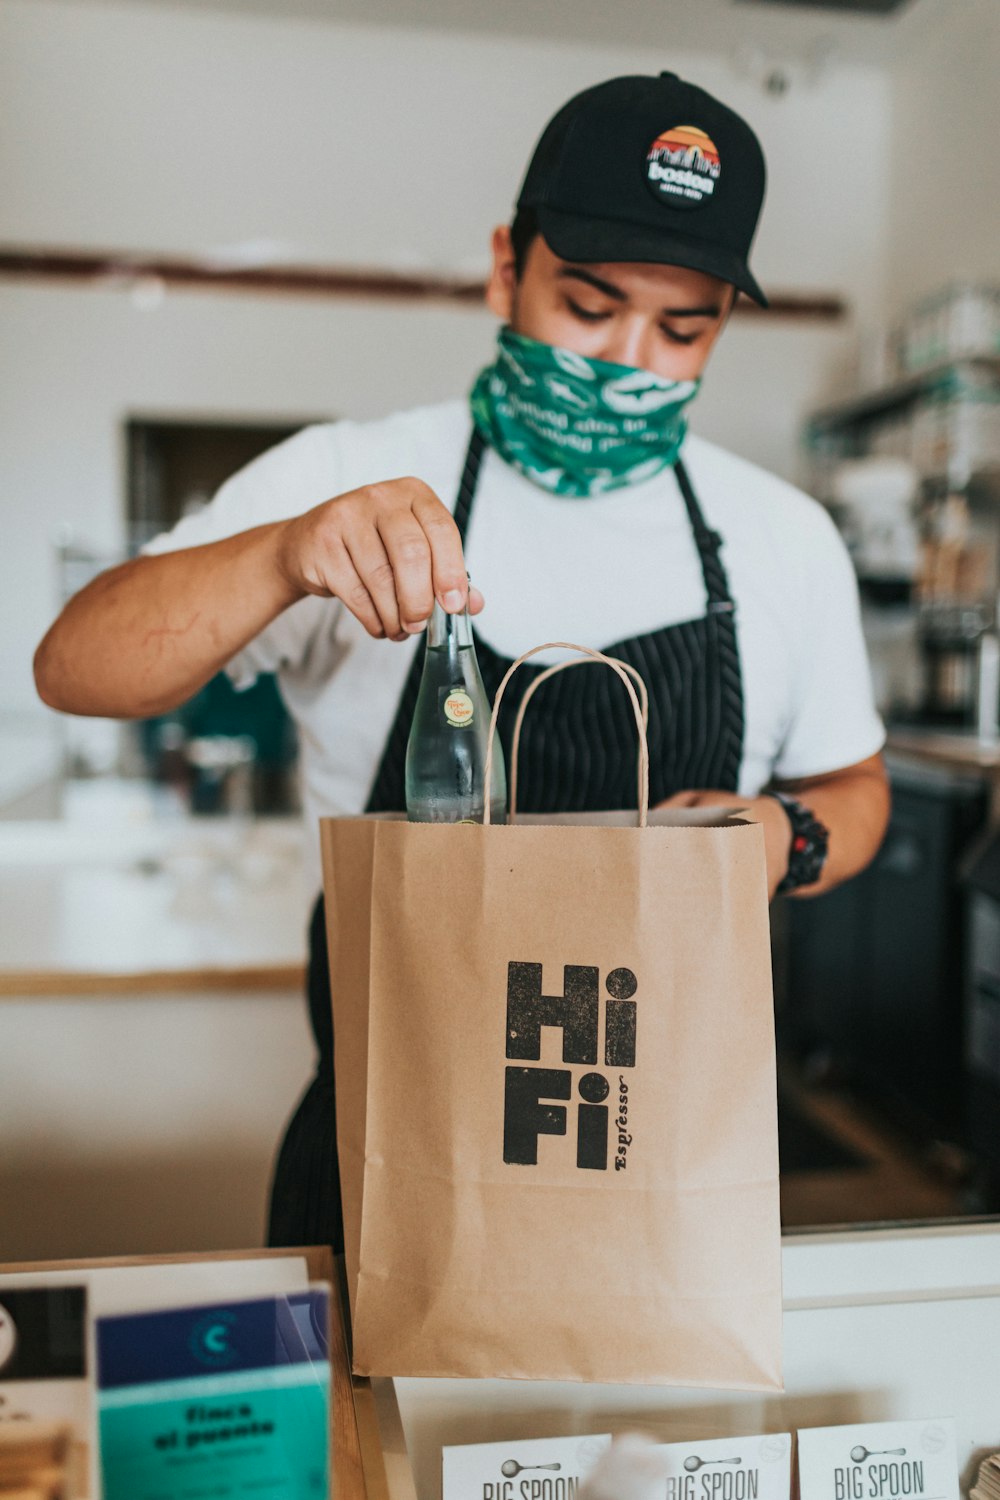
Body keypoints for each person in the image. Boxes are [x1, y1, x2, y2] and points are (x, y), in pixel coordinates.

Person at [34, 70, 891, 1250]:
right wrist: (281, 556)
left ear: (721, 325)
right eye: (587, 307)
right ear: (506, 267)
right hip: (388, 1162)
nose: (625, 360)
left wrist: (779, 840)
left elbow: (858, 791)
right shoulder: (344, 473)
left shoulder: (784, 539)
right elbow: (74, 666)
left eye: (680, 328)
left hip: (660, 1170)